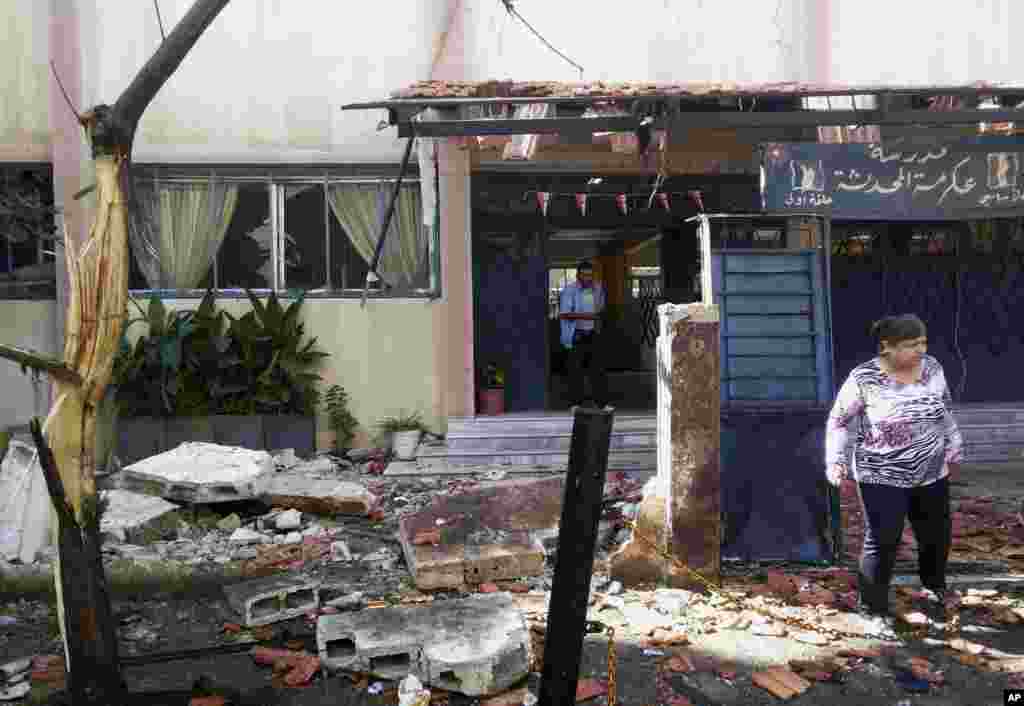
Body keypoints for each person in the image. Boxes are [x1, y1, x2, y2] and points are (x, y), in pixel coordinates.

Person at [825, 314, 963, 636]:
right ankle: (871, 607)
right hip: (880, 474)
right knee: (883, 540)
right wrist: (836, 460)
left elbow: (945, 409)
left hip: (931, 470)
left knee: (936, 535)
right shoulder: (864, 378)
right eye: (911, 345)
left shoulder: (933, 369)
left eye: (923, 342)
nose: (920, 350)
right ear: (887, 347)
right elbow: (840, 421)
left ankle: (934, 588)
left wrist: (954, 445)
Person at [559, 261, 607, 409]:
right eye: (585, 275)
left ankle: (600, 403)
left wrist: (597, 320)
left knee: (597, 370)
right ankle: (575, 403)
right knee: (575, 371)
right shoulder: (569, 290)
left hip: (593, 334)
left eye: (590, 275)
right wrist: (589, 317)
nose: (588, 278)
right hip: (576, 335)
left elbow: (601, 310)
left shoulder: (598, 289)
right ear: (578, 275)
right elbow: (565, 314)